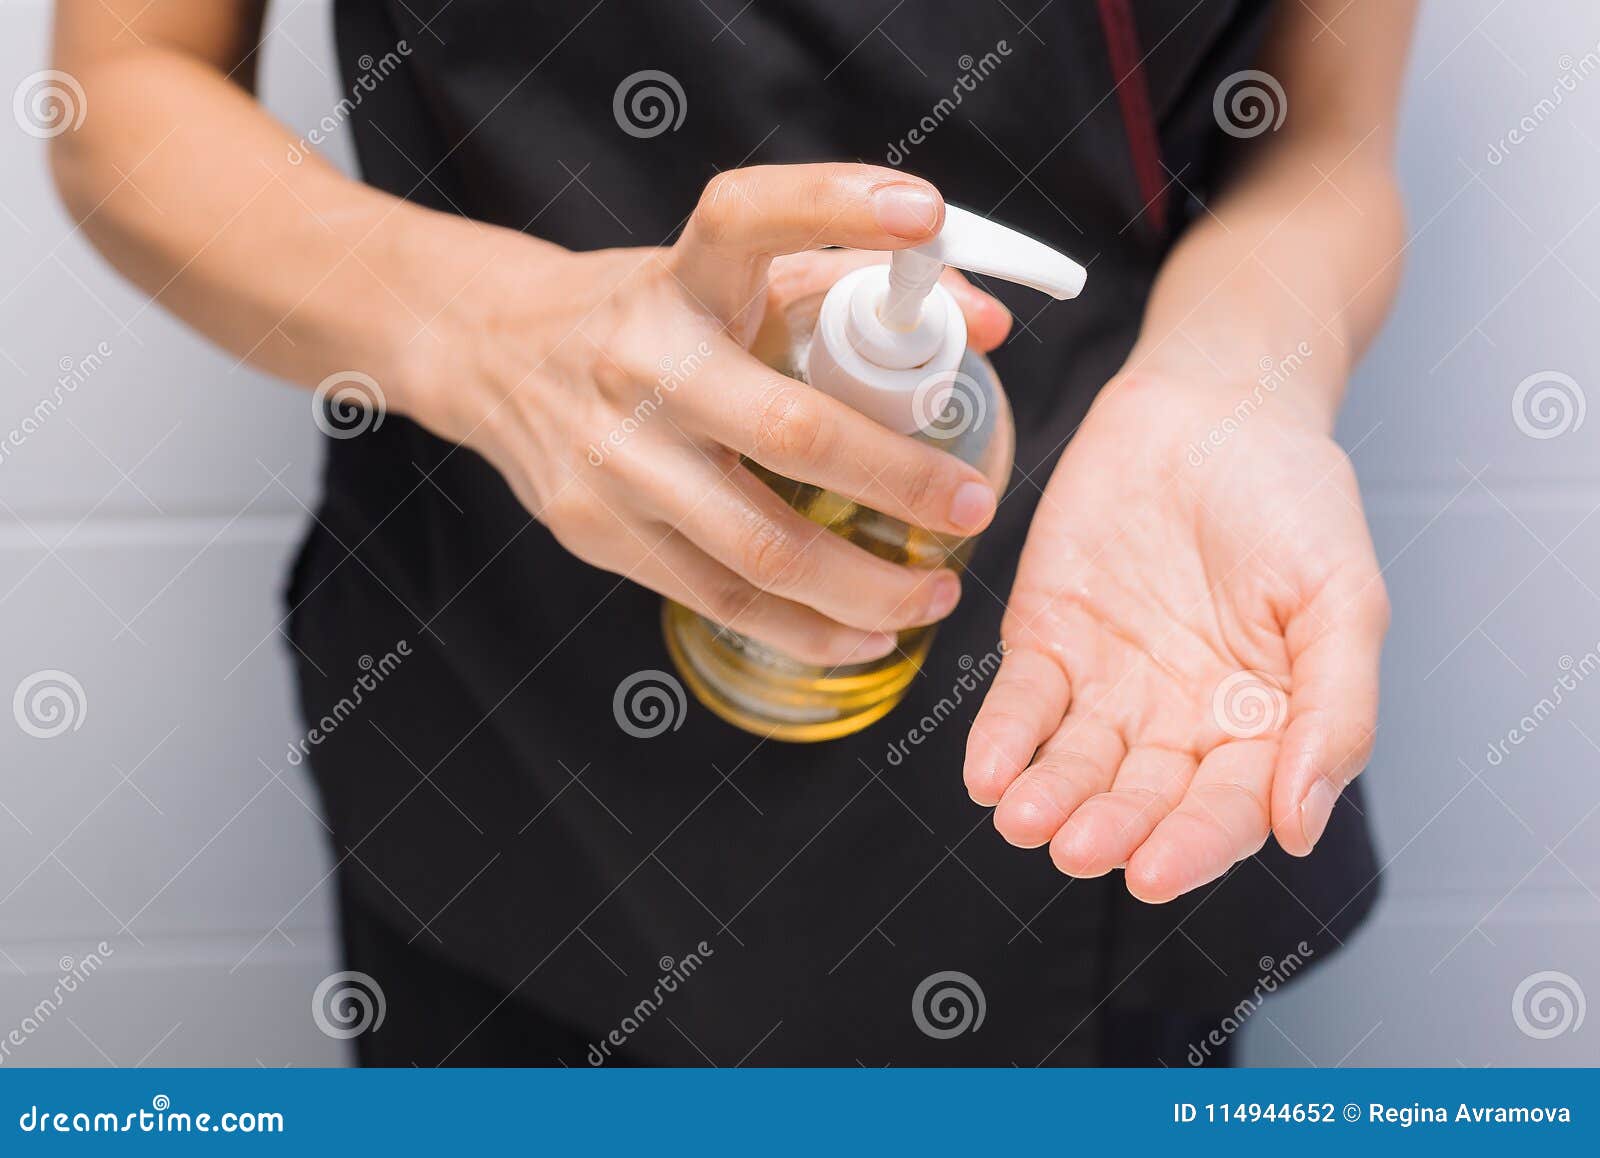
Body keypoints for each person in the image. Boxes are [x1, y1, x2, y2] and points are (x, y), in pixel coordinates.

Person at [51, 0, 1410, 1065]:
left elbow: (1322, 140)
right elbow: (123, 85)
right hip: (510, 757)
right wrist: (492, 336)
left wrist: (1240, 376)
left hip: (1111, 727)